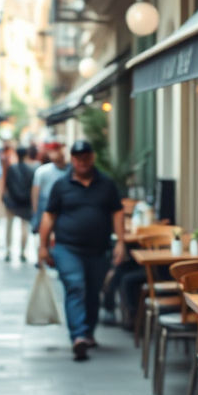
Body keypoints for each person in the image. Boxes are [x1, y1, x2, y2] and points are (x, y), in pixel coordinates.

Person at [37, 139, 125, 361]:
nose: (82, 162)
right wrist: (43, 246)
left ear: (92, 157)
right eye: (78, 158)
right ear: (72, 160)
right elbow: (49, 215)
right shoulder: (61, 185)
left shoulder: (106, 184)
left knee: (93, 291)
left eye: (86, 157)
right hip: (68, 248)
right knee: (76, 286)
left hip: (98, 249)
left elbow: (117, 212)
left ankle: (88, 332)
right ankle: (78, 336)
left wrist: (121, 242)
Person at [3, 146, 35, 262]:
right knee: (24, 227)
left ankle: (8, 250)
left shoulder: (12, 169)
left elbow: (7, 185)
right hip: (25, 203)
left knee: (9, 226)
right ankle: (22, 252)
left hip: (12, 202)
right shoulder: (31, 170)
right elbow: (33, 187)